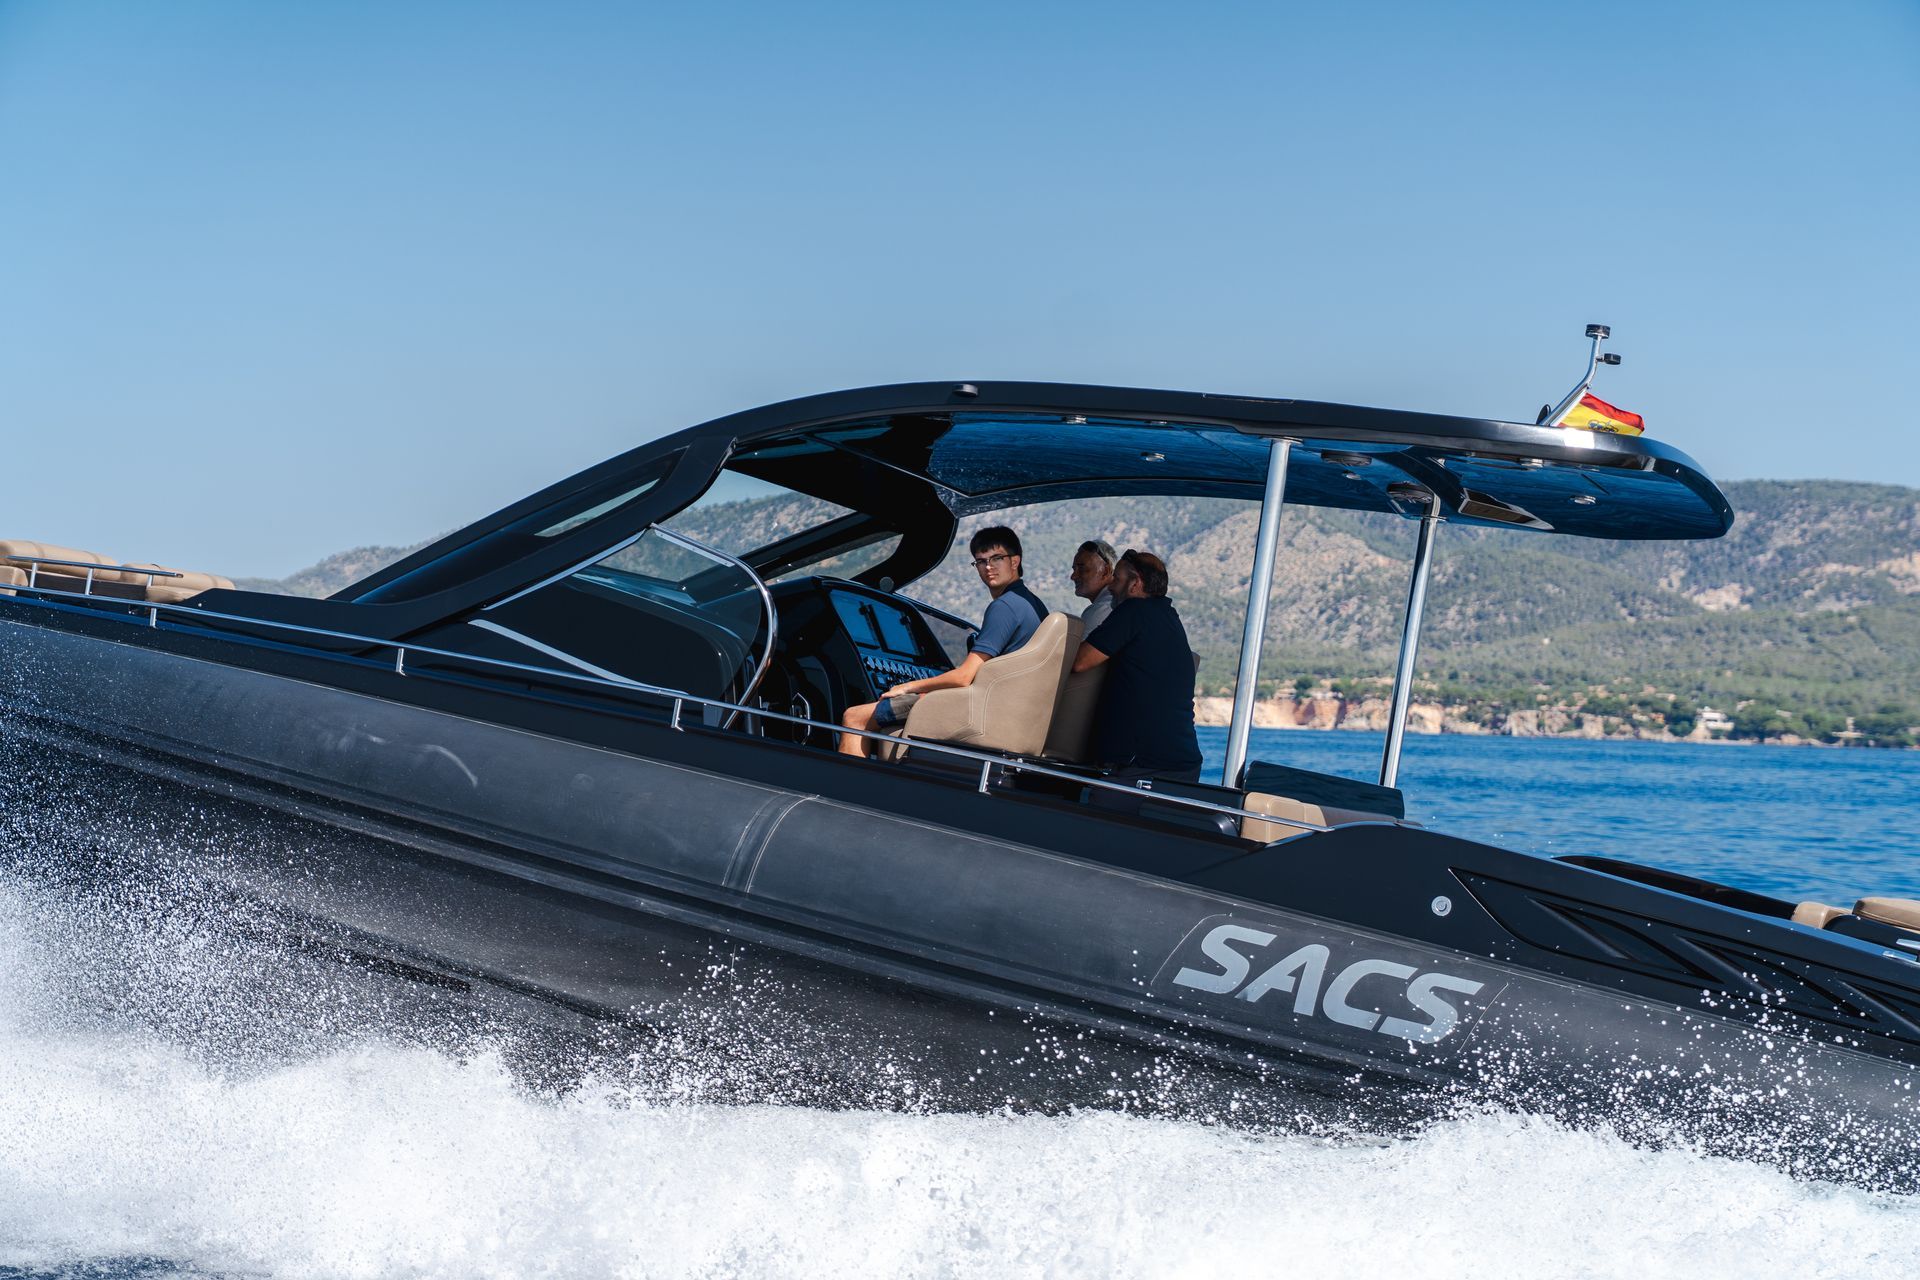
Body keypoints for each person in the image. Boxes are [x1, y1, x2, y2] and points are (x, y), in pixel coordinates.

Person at [838, 526, 1049, 757]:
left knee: (855, 717)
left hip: (984, 708)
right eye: (980, 561)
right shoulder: (1033, 604)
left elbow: (963, 677)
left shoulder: (1005, 607)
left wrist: (906, 687)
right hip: (1005, 709)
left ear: (1015, 561)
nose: (988, 567)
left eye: (997, 558)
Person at [1071, 548, 1203, 784]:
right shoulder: (1170, 617)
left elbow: (1080, 662)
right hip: (1183, 762)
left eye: (1117, 579)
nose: (1111, 586)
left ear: (1135, 583)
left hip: (1142, 763)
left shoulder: (1133, 611)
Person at [1070, 538, 1117, 633]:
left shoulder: (1101, 610)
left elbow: (1078, 648)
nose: (1073, 576)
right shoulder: (1114, 603)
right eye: (1074, 569)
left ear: (1105, 571)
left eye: (1082, 568)